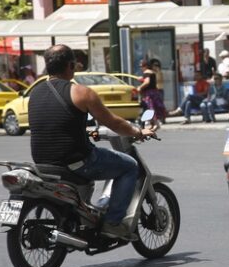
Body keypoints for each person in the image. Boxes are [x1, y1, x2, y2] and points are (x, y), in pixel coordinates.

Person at [28, 44, 156, 240]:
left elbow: (56, 123)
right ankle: (113, 223)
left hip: (43, 163)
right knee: (129, 166)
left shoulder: (35, 93)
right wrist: (138, 132)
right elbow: (113, 122)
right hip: (76, 162)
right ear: (72, 65)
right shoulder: (81, 93)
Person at [137, 59, 164, 131]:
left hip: (149, 94)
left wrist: (140, 87)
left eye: (142, 66)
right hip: (154, 92)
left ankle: (155, 124)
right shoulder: (152, 72)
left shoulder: (146, 72)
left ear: (145, 66)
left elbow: (147, 82)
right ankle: (153, 124)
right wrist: (142, 79)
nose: (141, 68)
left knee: (151, 109)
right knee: (152, 108)